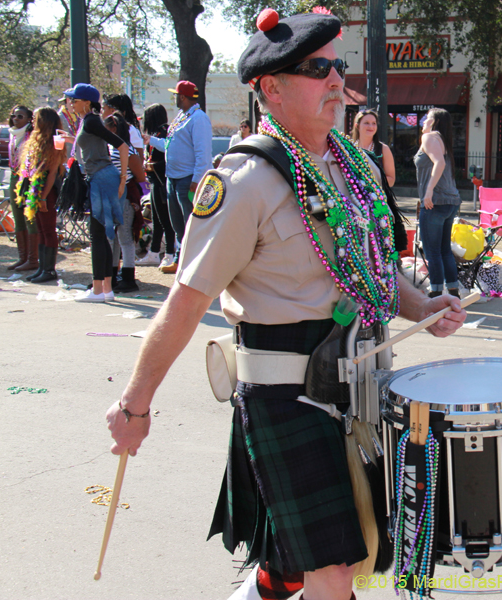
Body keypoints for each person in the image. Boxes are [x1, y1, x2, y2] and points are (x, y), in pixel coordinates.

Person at [103, 10, 467, 600]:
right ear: (269, 88)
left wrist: (422, 305)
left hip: (363, 389)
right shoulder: (244, 179)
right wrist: (134, 406)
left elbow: (371, 266)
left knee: (331, 554)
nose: (334, 81)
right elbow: (186, 300)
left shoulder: (349, 164)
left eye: (338, 67)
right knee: (334, 570)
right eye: (316, 68)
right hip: (288, 397)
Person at [63, 83, 129, 303]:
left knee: (98, 235)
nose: (71, 103)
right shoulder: (88, 121)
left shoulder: (91, 121)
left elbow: (122, 145)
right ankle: (106, 289)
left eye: (75, 99)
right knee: (102, 235)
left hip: (102, 178)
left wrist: (121, 180)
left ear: (87, 102)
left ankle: (98, 290)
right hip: (101, 178)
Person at [144, 80, 212, 274]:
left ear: (183, 96)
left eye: (176, 94)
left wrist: (197, 180)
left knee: (191, 222)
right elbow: (169, 144)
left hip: (188, 179)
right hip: (172, 178)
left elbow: (203, 152)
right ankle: (182, 259)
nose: (174, 97)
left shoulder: (198, 119)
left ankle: (194, 262)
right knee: (177, 223)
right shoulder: (182, 116)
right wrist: (151, 141)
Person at [415, 107, 463, 297]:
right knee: (444, 250)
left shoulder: (429, 138)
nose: (423, 121)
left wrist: (428, 191)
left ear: (434, 122)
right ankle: (453, 291)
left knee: (432, 251)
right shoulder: (443, 140)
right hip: (450, 201)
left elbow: (439, 163)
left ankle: (435, 292)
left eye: (427, 118)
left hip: (435, 202)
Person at [15, 107, 66, 283]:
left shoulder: (56, 140)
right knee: (40, 229)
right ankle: (42, 267)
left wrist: (43, 196)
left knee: (48, 229)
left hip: (47, 190)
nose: (33, 121)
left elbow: (52, 172)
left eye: (36, 118)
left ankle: (50, 270)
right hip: (33, 190)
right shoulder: (35, 139)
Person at [103, 95, 148, 293]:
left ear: (113, 129)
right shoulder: (117, 149)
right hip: (116, 196)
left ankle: (126, 277)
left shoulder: (122, 150)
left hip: (121, 197)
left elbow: (139, 175)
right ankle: (119, 275)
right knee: (119, 238)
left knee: (123, 238)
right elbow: (139, 175)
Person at [138, 104, 175, 267]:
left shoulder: (165, 132)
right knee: (156, 219)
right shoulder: (155, 134)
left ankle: (169, 253)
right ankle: (153, 252)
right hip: (154, 180)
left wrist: (153, 166)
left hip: (161, 181)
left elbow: (170, 157)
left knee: (166, 220)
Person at [6, 105, 38, 272]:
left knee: (29, 218)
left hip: (28, 179)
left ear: (28, 119)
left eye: (20, 116)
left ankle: (33, 259)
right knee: (17, 218)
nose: (15, 119)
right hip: (14, 176)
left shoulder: (31, 136)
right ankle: (22, 257)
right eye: (14, 116)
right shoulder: (12, 135)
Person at [350, 109, 396, 187]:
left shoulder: (383, 149)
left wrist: (369, 183)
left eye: (374, 123)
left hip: (376, 196)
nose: (371, 126)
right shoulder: (350, 148)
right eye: (366, 123)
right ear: (357, 126)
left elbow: (391, 179)